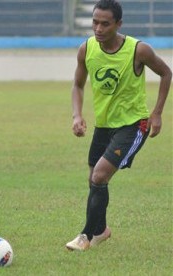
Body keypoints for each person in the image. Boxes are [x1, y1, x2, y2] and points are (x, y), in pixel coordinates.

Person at [66, 0, 171, 251]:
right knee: (94, 179)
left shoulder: (138, 50)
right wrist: (76, 116)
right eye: (94, 22)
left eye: (105, 23)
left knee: (99, 175)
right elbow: (78, 85)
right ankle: (101, 230)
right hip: (104, 125)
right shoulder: (86, 49)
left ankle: (85, 236)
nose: (98, 28)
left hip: (134, 124)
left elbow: (166, 73)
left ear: (118, 24)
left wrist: (156, 114)